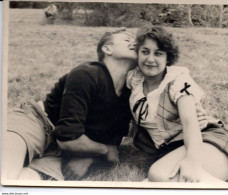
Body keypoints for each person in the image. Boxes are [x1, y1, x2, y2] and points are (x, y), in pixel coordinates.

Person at [4, 28, 137, 181]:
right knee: (6, 170)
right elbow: (69, 139)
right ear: (107, 49)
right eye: (127, 40)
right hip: (37, 122)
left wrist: (89, 158)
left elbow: (113, 137)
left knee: (28, 181)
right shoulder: (87, 73)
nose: (134, 43)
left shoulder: (129, 94)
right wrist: (104, 150)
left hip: (64, 149)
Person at [126, 25, 228, 183]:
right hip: (173, 149)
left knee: (158, 175)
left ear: (168, 58)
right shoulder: (134, 79)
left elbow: (189, 123)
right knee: (155, 182)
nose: (150, 59)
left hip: (205, 140)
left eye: (158, 54)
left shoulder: (178, 81)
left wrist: (192, 160)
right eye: (145, 52)